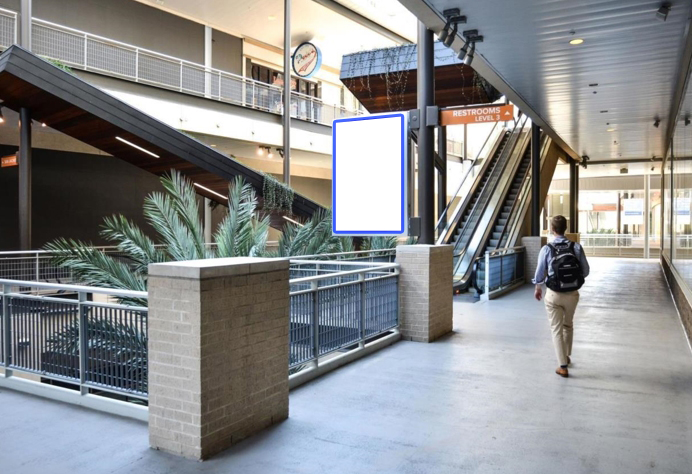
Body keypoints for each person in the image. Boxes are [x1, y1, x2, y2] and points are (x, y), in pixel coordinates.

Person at [533, 215, 590, 378]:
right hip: (572, 294)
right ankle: (567, 356)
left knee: (556, 329)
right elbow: (585, 271)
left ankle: (562, 365)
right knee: (568, 325)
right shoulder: (576, 247)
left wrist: (538, 287)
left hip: (554, 295)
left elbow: (539, 272)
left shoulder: (547, 249)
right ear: (565, 228)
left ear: (552, 229)